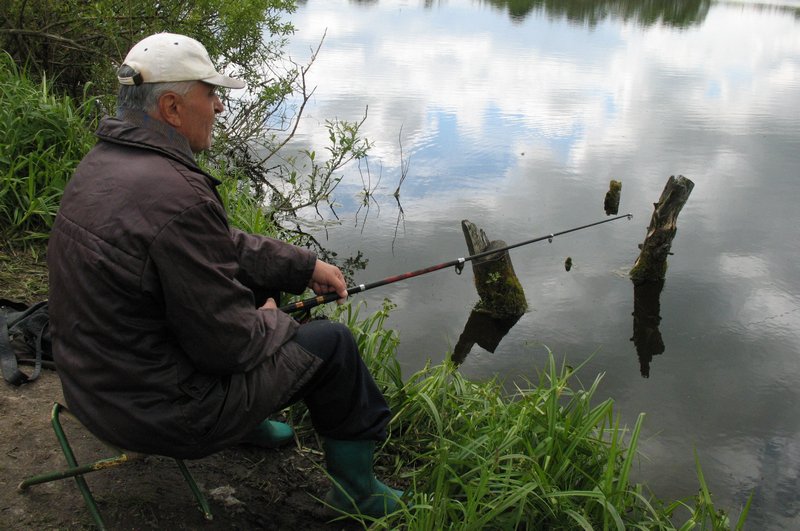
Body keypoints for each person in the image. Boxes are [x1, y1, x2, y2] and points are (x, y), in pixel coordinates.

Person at [47, 32, 402, 518]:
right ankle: (359, 494)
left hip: (93, 390)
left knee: (259, 278)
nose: (219, 108)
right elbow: (231, 345)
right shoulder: (178, 196)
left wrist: (303, 265)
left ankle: (251, 422)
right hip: (162, 414)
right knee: (334, 346)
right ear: (171, 107)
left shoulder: (105, 163)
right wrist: (272, 318)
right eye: (211, 95)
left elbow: (215, 245)